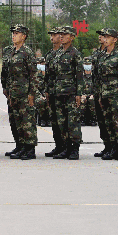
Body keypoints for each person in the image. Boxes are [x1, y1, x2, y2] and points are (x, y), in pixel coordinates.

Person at [0, 24, 38, 160]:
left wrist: (32, 94)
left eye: (17, 33)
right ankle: (20, 146)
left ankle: (29, 149)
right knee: (15, 120)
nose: (13, 35)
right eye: (13, 33)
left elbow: (33, 74)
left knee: (26, 121)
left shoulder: (27, 52)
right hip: (12, 92)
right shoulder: (9, 51)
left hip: (24, 92)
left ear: (24, 36)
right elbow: (5, 71)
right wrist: (5, 87)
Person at [92, 28, 118, 161]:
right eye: (105, 37)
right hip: (104, 94)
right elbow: (98, 77)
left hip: (116, 94)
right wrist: (99, 94)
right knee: (107, 122)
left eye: (108, 37)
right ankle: (111, 148)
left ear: (115, 39)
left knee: (117, 122)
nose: (105, 39)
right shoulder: (101, 56)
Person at [47, 25, 84, 159]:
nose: (61, 36)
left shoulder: (75, 54)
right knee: (61, 122)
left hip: (71, 93)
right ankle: (65, 147)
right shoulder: (57, 54)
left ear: (72, 37)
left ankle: (74, 149)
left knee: (72, 122)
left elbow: (79, 76)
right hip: (58, 93)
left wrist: (79, 94)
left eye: (65, 34)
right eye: (61, 34)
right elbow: (52, 74)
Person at [43, 28, 66, 156]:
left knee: (64, 121)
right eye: (51, 35)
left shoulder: (65, 53)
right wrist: (46, 90)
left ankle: (66, 147)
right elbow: (47, 75)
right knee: (55, 121)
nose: (52, 37)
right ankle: (58, 146)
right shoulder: (50, 54)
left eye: (55, 35)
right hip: (52, 91)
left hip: (64, 92)